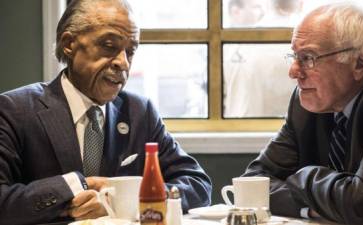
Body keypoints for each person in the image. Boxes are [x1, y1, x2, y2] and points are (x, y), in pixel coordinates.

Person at [0, 0, 211, 224]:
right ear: (69, 43)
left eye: (130, 52)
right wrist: (75, 187)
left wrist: (128, 200)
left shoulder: (140, 113)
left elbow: (197, 185)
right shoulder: (15, 110)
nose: (123, 63)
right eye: (109, 47)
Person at [243, 3, 363, 225]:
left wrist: (304, 176)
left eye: (308, 58)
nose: (293, 72)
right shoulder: (308, 101)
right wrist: (316, 209)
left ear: (360, 63)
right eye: (294, 56)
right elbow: (252, 184)